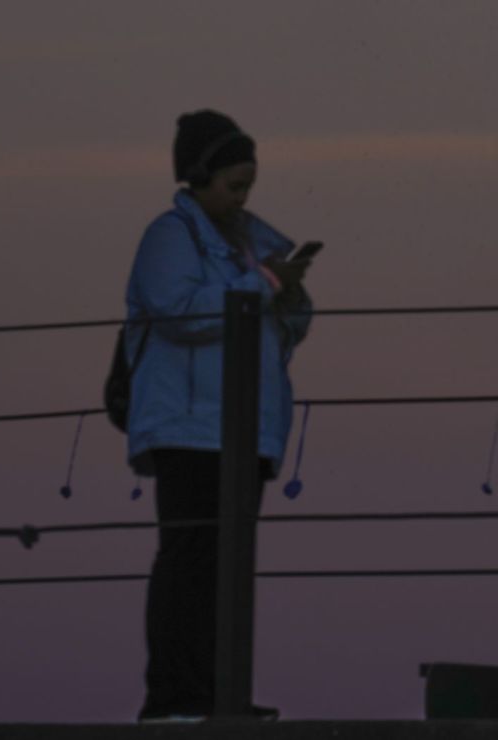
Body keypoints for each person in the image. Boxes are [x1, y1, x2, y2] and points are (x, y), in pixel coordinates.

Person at [124, 110, 314, 723]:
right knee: (189, 566)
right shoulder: (168, 237)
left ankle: (220, 695)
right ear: (199, 177)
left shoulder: (255, 237)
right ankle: (175, 698)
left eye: (248, 184)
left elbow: (288, 327)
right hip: (188, 429)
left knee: (229, 571)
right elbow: (182, 313)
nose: (242, 196)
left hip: (244, 429)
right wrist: (262, 282)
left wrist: (288, 292)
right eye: (233, 184)